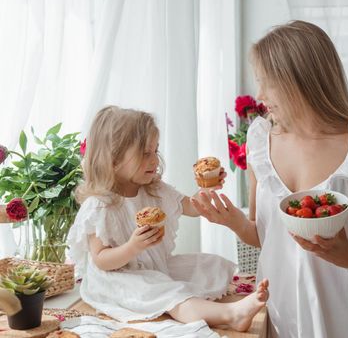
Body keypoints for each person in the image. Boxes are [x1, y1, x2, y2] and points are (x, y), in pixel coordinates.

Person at [191, 20, 348, 337]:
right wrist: (234, 221)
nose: (260, 94)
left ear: (300, 81)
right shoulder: (260, 142)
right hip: (284, 313)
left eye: (267, 82)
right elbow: (265, 236)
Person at [67, 106, 268, 331]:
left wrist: (207, 188)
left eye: (156, 151)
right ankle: (230, 314)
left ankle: (209, 305)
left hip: (154, 268)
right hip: (116, 280)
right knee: (169, 292)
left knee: (208, 265)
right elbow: (101, 260)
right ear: (113, 159)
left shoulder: (154, 190)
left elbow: (190, 207)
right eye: (145, 153)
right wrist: (133, 247)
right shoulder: (100, 204)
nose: (154, 160)